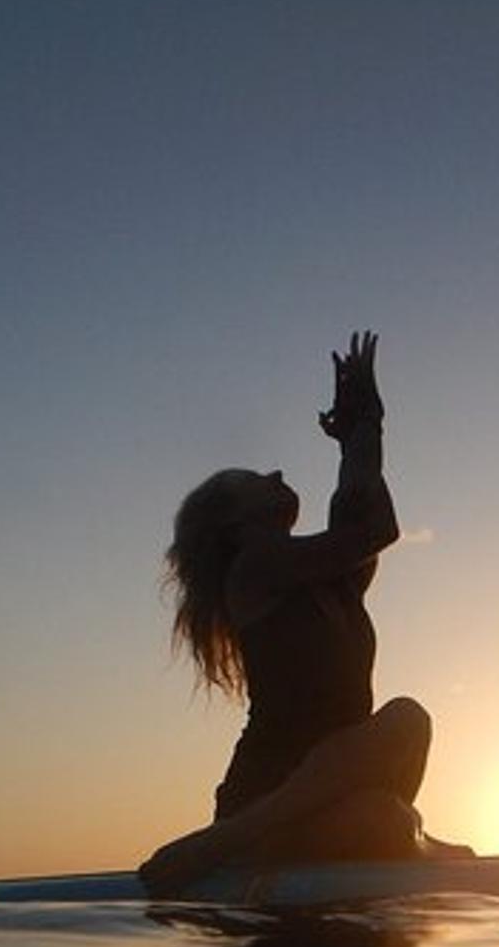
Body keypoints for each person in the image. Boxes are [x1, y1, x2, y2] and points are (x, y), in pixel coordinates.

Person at [139, 332, 467, 897]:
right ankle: (224, 841)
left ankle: (416, 839)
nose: (273, 474)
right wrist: (365, 427)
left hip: (333, 795)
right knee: (405, 719)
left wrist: (361, 433)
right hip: (266, 797)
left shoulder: (333, 581)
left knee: (386, 819)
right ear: (233, 525)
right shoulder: (253, 565)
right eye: (253, 481)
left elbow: (360, 509)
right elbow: (370, 532)